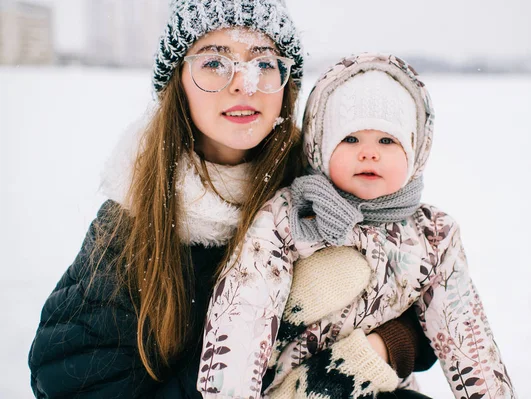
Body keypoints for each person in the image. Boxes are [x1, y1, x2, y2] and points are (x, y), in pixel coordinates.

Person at [28, 2, 435, 398]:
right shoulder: (133, 223)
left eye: (263, 63)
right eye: (214, 62)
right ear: (177, 84)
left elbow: (425, 298)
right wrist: (260, 352)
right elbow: (72, 384)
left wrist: (386, 348)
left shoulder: (325, 185)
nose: (245, 83)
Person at [199, 53, 517, 399]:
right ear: (320, 147)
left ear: (414, 150)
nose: (369, 153)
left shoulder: (433, 235)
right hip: (279, 386)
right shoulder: (291, 215)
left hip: (375, 386)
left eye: (387, 141)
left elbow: (467, 338)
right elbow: (241, 315)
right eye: (350, 140)